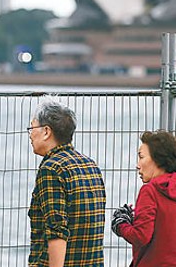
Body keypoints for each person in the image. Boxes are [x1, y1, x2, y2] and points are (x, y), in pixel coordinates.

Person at [27, 96, 106, 267]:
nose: (30, 135)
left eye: (32, 128)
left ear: (46, 131)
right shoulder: (90, 165)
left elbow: (57, 231)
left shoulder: (51, 169)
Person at [112, 130, 176, 267]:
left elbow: (141, 236)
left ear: (158, 159)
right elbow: (167, 225)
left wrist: (120, 224)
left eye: (141, 157)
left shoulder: (150, 191)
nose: (137, 165)